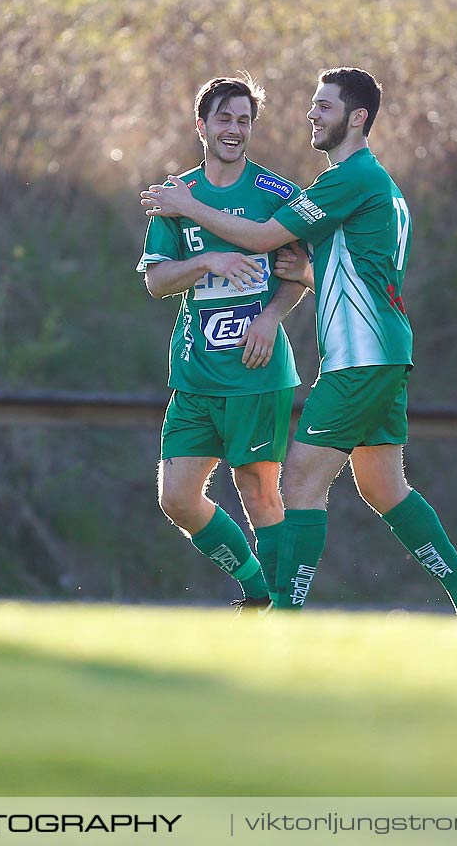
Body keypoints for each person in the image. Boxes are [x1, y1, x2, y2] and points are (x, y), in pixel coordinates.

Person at [144, 68, 457, 617]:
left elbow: (267, 238)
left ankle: (285, 617)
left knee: (301, 481)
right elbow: (363, 268)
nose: (312, 115)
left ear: (356, 118)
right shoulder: (375, 184)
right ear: (202, 125)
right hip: (383, 352)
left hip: (361, 358)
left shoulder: (349, 178)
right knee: (384, 489)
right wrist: (309, 273)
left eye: (324, 107)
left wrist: (189, 208)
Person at [137, 75, 309, 610]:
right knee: (178, 499)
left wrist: (270, 317)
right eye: (224, 119)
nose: (234, 130)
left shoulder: (277, 193)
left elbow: (301, 271)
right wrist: (208, 261)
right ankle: (258, 588)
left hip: (256, 371)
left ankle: (282, 607)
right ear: (202, 126)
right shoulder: (176, 197)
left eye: (244, 120)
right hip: (194, 374)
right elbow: (157, 281)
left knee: (258, 491)